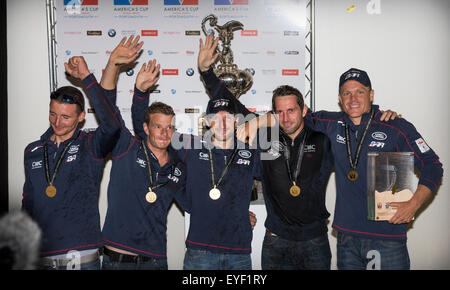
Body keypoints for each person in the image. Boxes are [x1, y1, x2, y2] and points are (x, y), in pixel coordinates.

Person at [242, 67, 443, 269]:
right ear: (340, 98)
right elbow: (289, 114)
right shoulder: (329, 124)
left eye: (359, 92)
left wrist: (414, 204)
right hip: (347, 239)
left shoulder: (395, 126)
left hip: (386, 237)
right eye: (347, 93)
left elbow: (433, 166)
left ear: (371, 94)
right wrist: (255, 122)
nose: (353, 98)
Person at [197, 34, 334, 269]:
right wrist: (206, 71)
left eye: (292, 110)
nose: (286, 117)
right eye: (279, 112)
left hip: (315, 241)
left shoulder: (322, 135)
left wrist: (382, 113)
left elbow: (352, 119)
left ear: (304, 110)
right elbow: (227, 99)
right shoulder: (264, 136)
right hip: (276, 240)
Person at [132, 69, 262, 270]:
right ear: (208, 122)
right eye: (216, 118)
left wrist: (262, 121)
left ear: (237, 121)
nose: (223, 124)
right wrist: (140, 93)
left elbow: (279, 169)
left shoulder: (250, 152)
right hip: (200, 252)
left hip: (239, 252)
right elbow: (145, 133)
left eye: (228, 118)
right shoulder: (189, 146)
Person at [97, 36, 188, 270]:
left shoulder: (178, 168)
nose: (164, 132)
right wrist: (113, 65)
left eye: (169, 127)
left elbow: (196, 202)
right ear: (146, 128)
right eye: (158, 126)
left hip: (156, 261)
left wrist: (238, 214)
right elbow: (106, 107)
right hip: (117, 260)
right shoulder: (126, 147)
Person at [22, 56, 121, 270]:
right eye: (53, 114)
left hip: (83, 259)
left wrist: (86, 77)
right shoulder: (32, 151)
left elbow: (112, 126)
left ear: (81, 117)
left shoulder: (91, 144)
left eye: (66, 117)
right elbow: (28, 205)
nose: (57, 122)